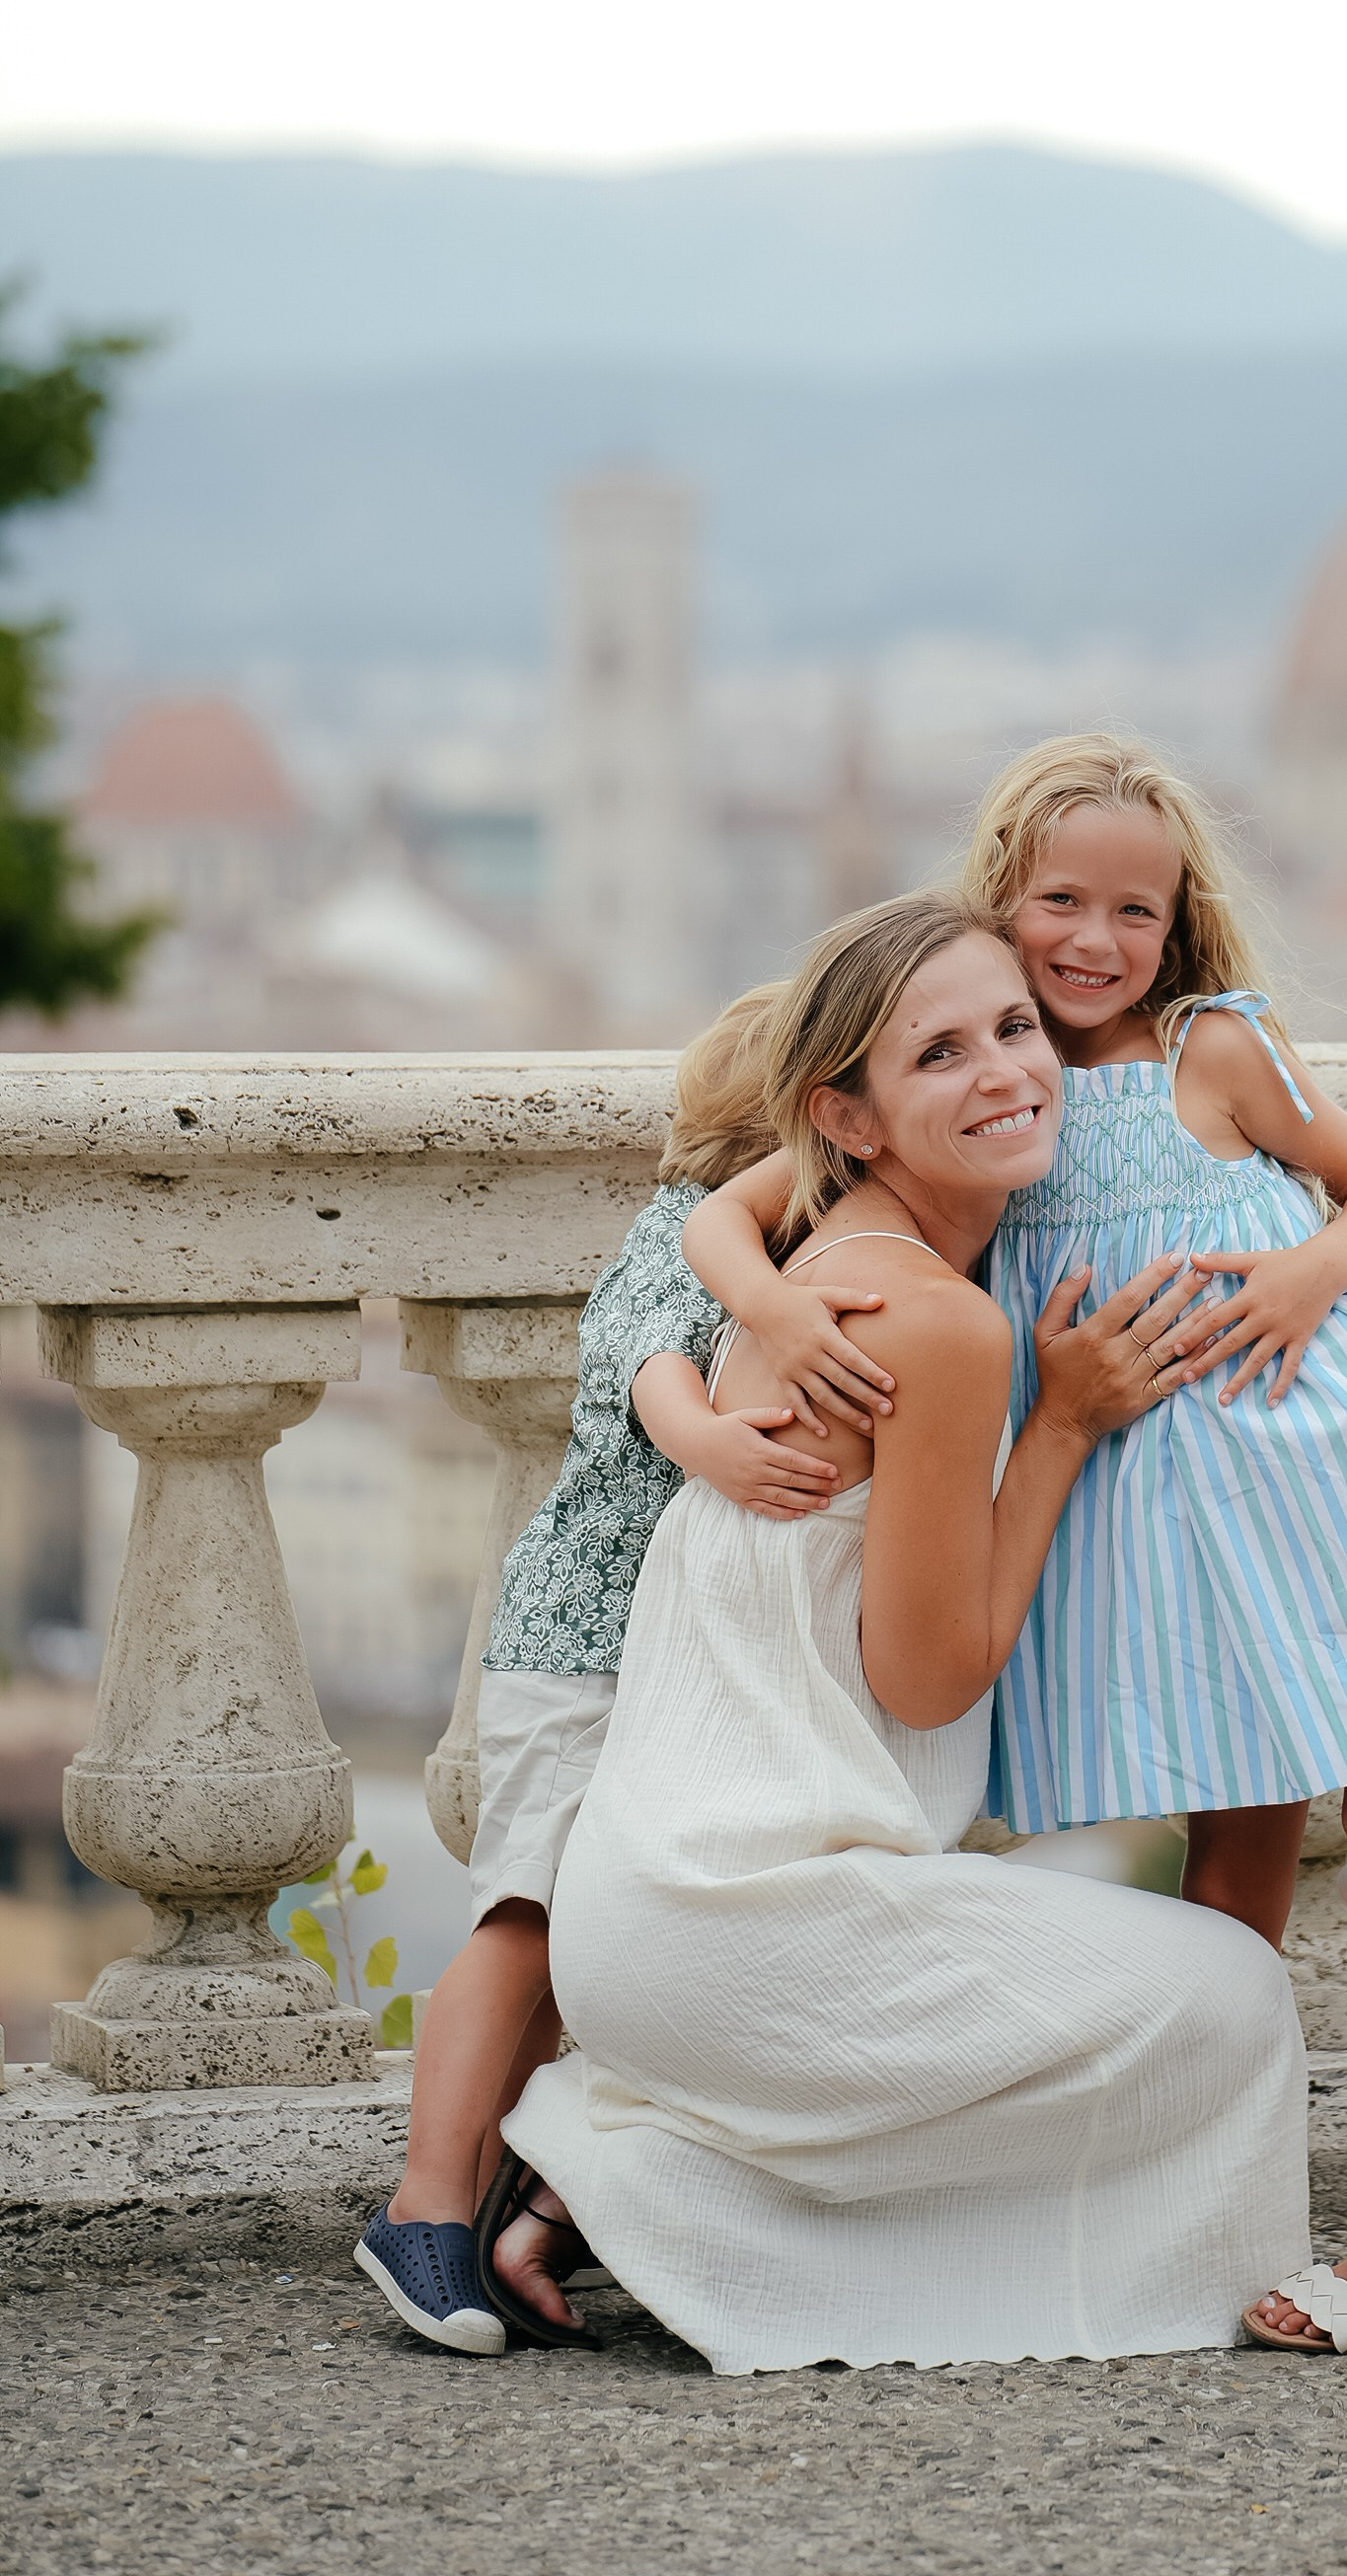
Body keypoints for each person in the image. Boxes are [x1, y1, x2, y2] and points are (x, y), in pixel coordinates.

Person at [684, 734, 1347, 2357]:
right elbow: (736, 1211)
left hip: (1332, 1455)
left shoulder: (1214, 1048)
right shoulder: (984, 1059)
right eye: (1061, 899)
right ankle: (1214, 2187)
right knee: (1233, 1856)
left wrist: (1305, 1278)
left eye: (1137, 905)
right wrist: (771, 1305)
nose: (1095, 938)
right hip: (1183, 1519)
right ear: (1003, 895)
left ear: (1180, 917)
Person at [503, 891, 1310, 2374]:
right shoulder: (939, 1322)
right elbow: (929, 1681)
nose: (1006, 1072)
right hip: (743, 1928)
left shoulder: (825, 1247)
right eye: (940, 1054)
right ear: (848, 1115)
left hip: (648, 1919)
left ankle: (628, 2171)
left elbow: (729, 1212)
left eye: (1016, 1028)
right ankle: (651, 2181)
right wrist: (1063, 1421)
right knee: (1238, 1996)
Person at [354, 976, 922, 2354]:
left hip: (655, 1657)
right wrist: (710, 1442)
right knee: (527, 1920)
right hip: (585, 1649)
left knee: (597, 1942)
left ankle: (498, 2209)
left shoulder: (773, 1248)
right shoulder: (684, 1237)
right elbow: (642, 1367)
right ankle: (424, 2206)